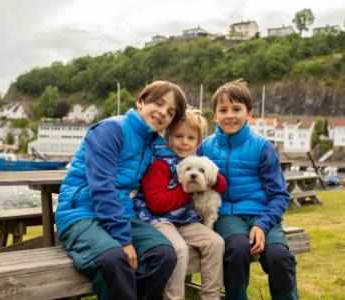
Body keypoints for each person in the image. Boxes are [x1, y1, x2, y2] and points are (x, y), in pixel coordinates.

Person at [55, 81, 187, 300]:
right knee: (114, 259)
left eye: (170, 112)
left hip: (121, 213)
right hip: (81, 214)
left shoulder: (152, 142)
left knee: (163, 254)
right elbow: (102, 187)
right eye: (159, 103)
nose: (163, 112)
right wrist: (124, 240)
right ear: (141, 101)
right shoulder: (110, 130)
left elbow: (184, 154)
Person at [198, 80, 298, 300]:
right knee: (236, 250)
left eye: (236, 109)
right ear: (215, 115)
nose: (230, 115)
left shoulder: (262, 147)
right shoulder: (205, 147)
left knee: (279, 256)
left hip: (263, 215)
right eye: (223, 110)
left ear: (248, 113)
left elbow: (280, 195)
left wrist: (262, 225)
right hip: (227, 215)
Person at [135, 110, 226, 300]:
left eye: (191, 138)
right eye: (178, 136)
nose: (184, 142)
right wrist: (187, 190)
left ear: (198, 142)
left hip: (185, 220)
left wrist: (211, 179)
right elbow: (157, 204)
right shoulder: (159, 165)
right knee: (179, 250)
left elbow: (221, 184)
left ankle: (211, 296)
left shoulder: (197, 162)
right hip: (159, 220)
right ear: (168, 137)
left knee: (216, 242)